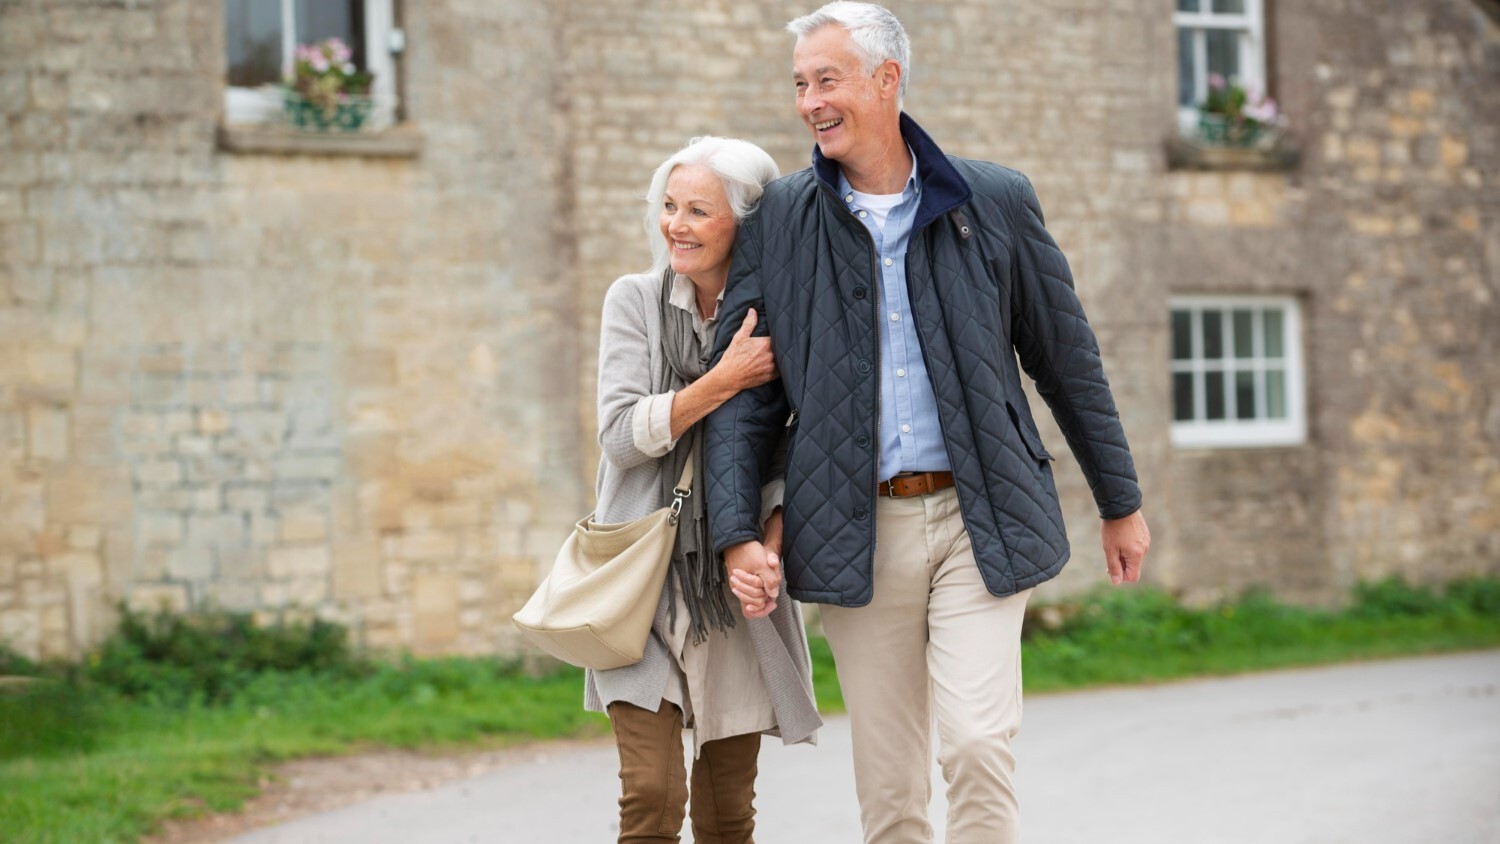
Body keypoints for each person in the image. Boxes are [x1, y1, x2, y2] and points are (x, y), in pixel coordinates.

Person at [704, 4, 1151, 843]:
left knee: (980, 744)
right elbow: (748, 395)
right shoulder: (782, 222)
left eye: (826, 80)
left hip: (978, 518)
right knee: (892, 784)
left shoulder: (995, 200)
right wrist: (736, 532)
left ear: (886, 79)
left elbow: (1066, 359)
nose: (809, 102)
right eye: (800, 84)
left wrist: (1118, 501)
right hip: (851, 525)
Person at [586, 135, 821, 844]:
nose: (675, 225)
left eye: (697, 210)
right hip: (642, 587)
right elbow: (622, 436)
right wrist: (724, 381)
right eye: (668, 206)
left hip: (733, 586)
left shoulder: (786, 320)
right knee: (651, 801)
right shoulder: (634, 301)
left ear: (744, 225)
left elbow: (797, 449)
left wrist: (768, 547)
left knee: (727, 816)